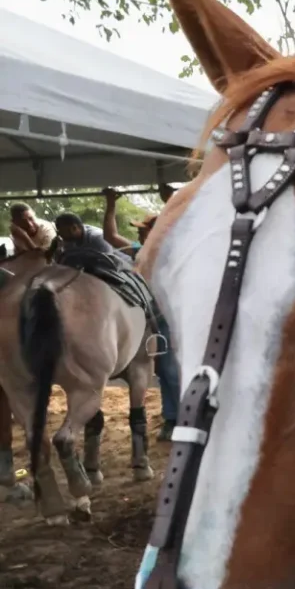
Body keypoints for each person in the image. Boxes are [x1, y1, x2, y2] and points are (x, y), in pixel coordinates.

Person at [100, 188, 178, 441]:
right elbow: (110, 236)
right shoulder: (139, 250)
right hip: (148, 316)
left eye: (142, 229)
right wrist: (110, 204)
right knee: (161, 370)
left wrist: (172, 201)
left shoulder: (171, 251)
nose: (137, 232)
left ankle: (177, 419)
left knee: (168, 370)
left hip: (166, 316)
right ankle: (171, 416)